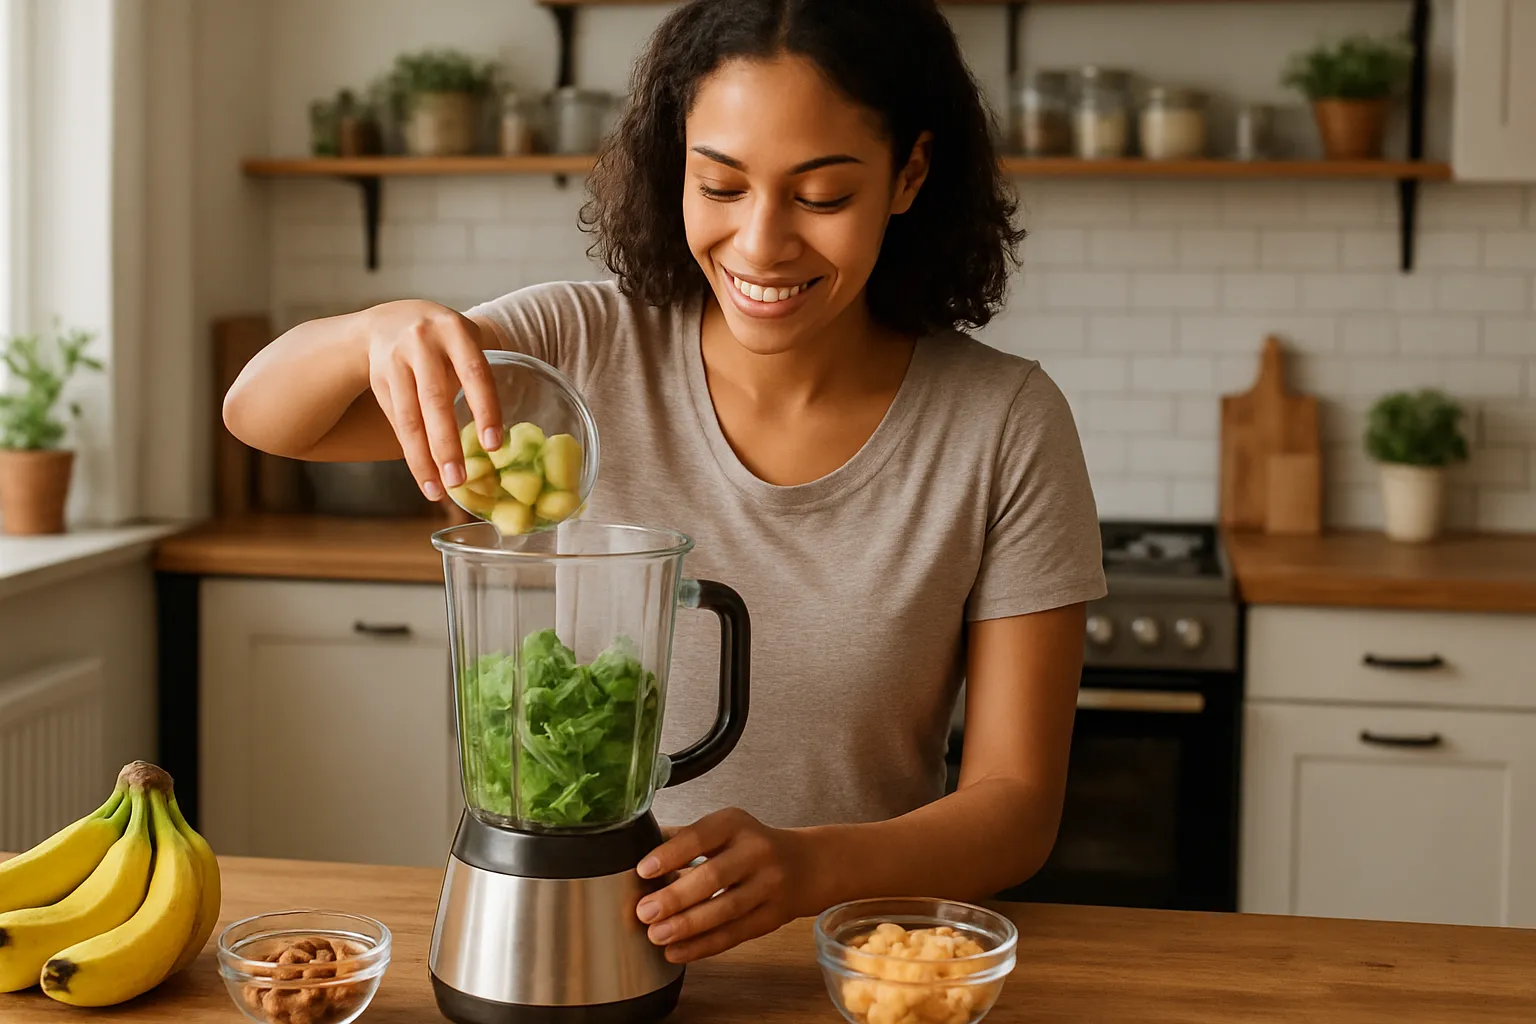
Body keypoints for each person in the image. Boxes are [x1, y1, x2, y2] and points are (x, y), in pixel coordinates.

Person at [224, 0, 1105, 966]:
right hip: (585, 943)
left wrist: (813, 868)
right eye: (719, 185)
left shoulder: (1006, 422)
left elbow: (1017, 811)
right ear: (674, 165)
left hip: (856, 958)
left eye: (821, 197)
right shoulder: (578, 347)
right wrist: (372, 330)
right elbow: (262, 416)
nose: (762, 244)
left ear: (910, 176)